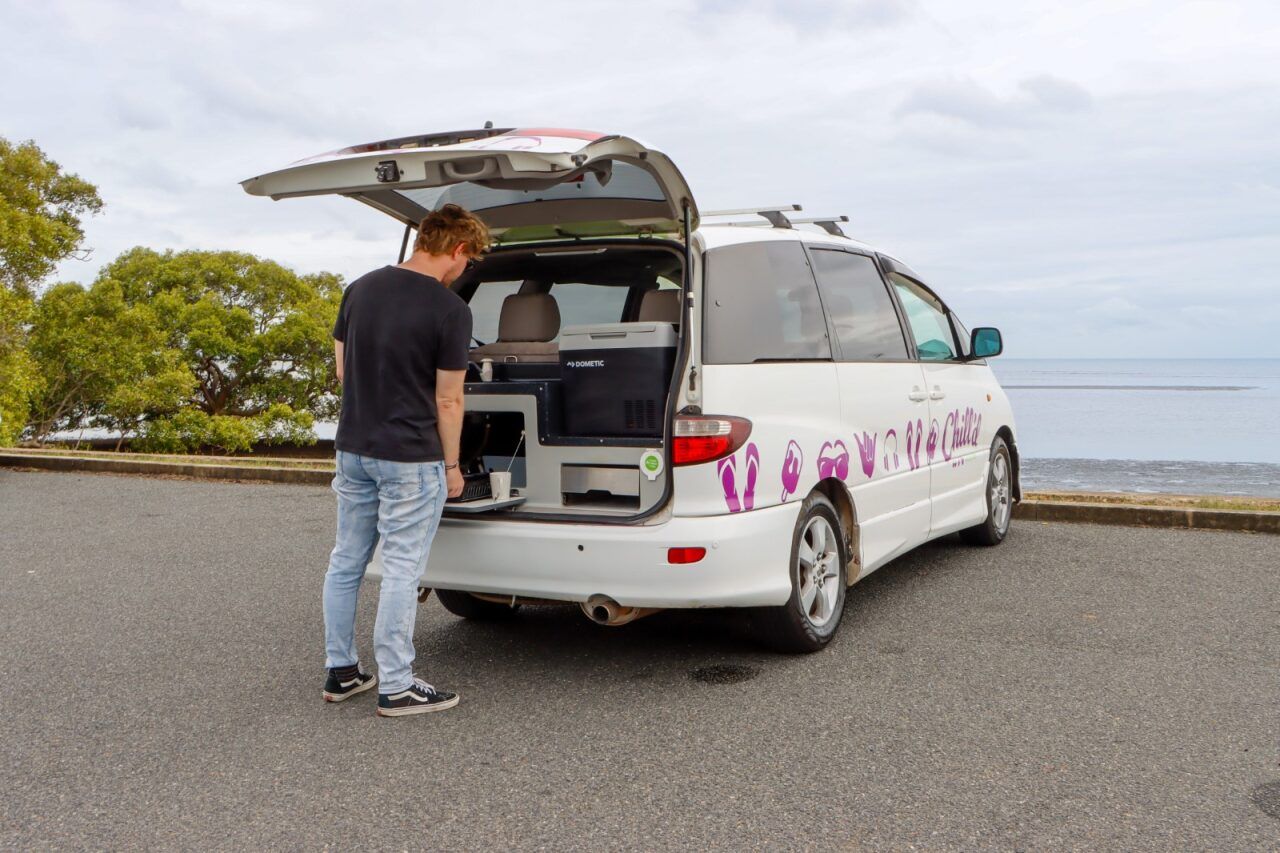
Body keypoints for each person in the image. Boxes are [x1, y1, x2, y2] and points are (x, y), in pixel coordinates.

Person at [320, 204, 488, 717]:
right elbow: (449, 400)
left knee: (346, 561)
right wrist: (454, 467)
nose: (467, 269)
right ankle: (396, 684)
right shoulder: (449, 310)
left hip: (353, 449)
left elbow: (344, 373)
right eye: (471, 259)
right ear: (457, 249)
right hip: (411, 458)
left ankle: (342, 672)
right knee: (401, 569)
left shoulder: (361, 288)